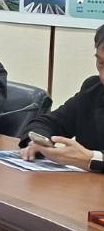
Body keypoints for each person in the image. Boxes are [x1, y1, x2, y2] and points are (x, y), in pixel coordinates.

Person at [22, 24, 104, 172]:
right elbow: (48, 123)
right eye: (101, 63)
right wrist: (41, 142)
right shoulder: (93, 88)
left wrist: (92, 159)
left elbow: (90, 159)